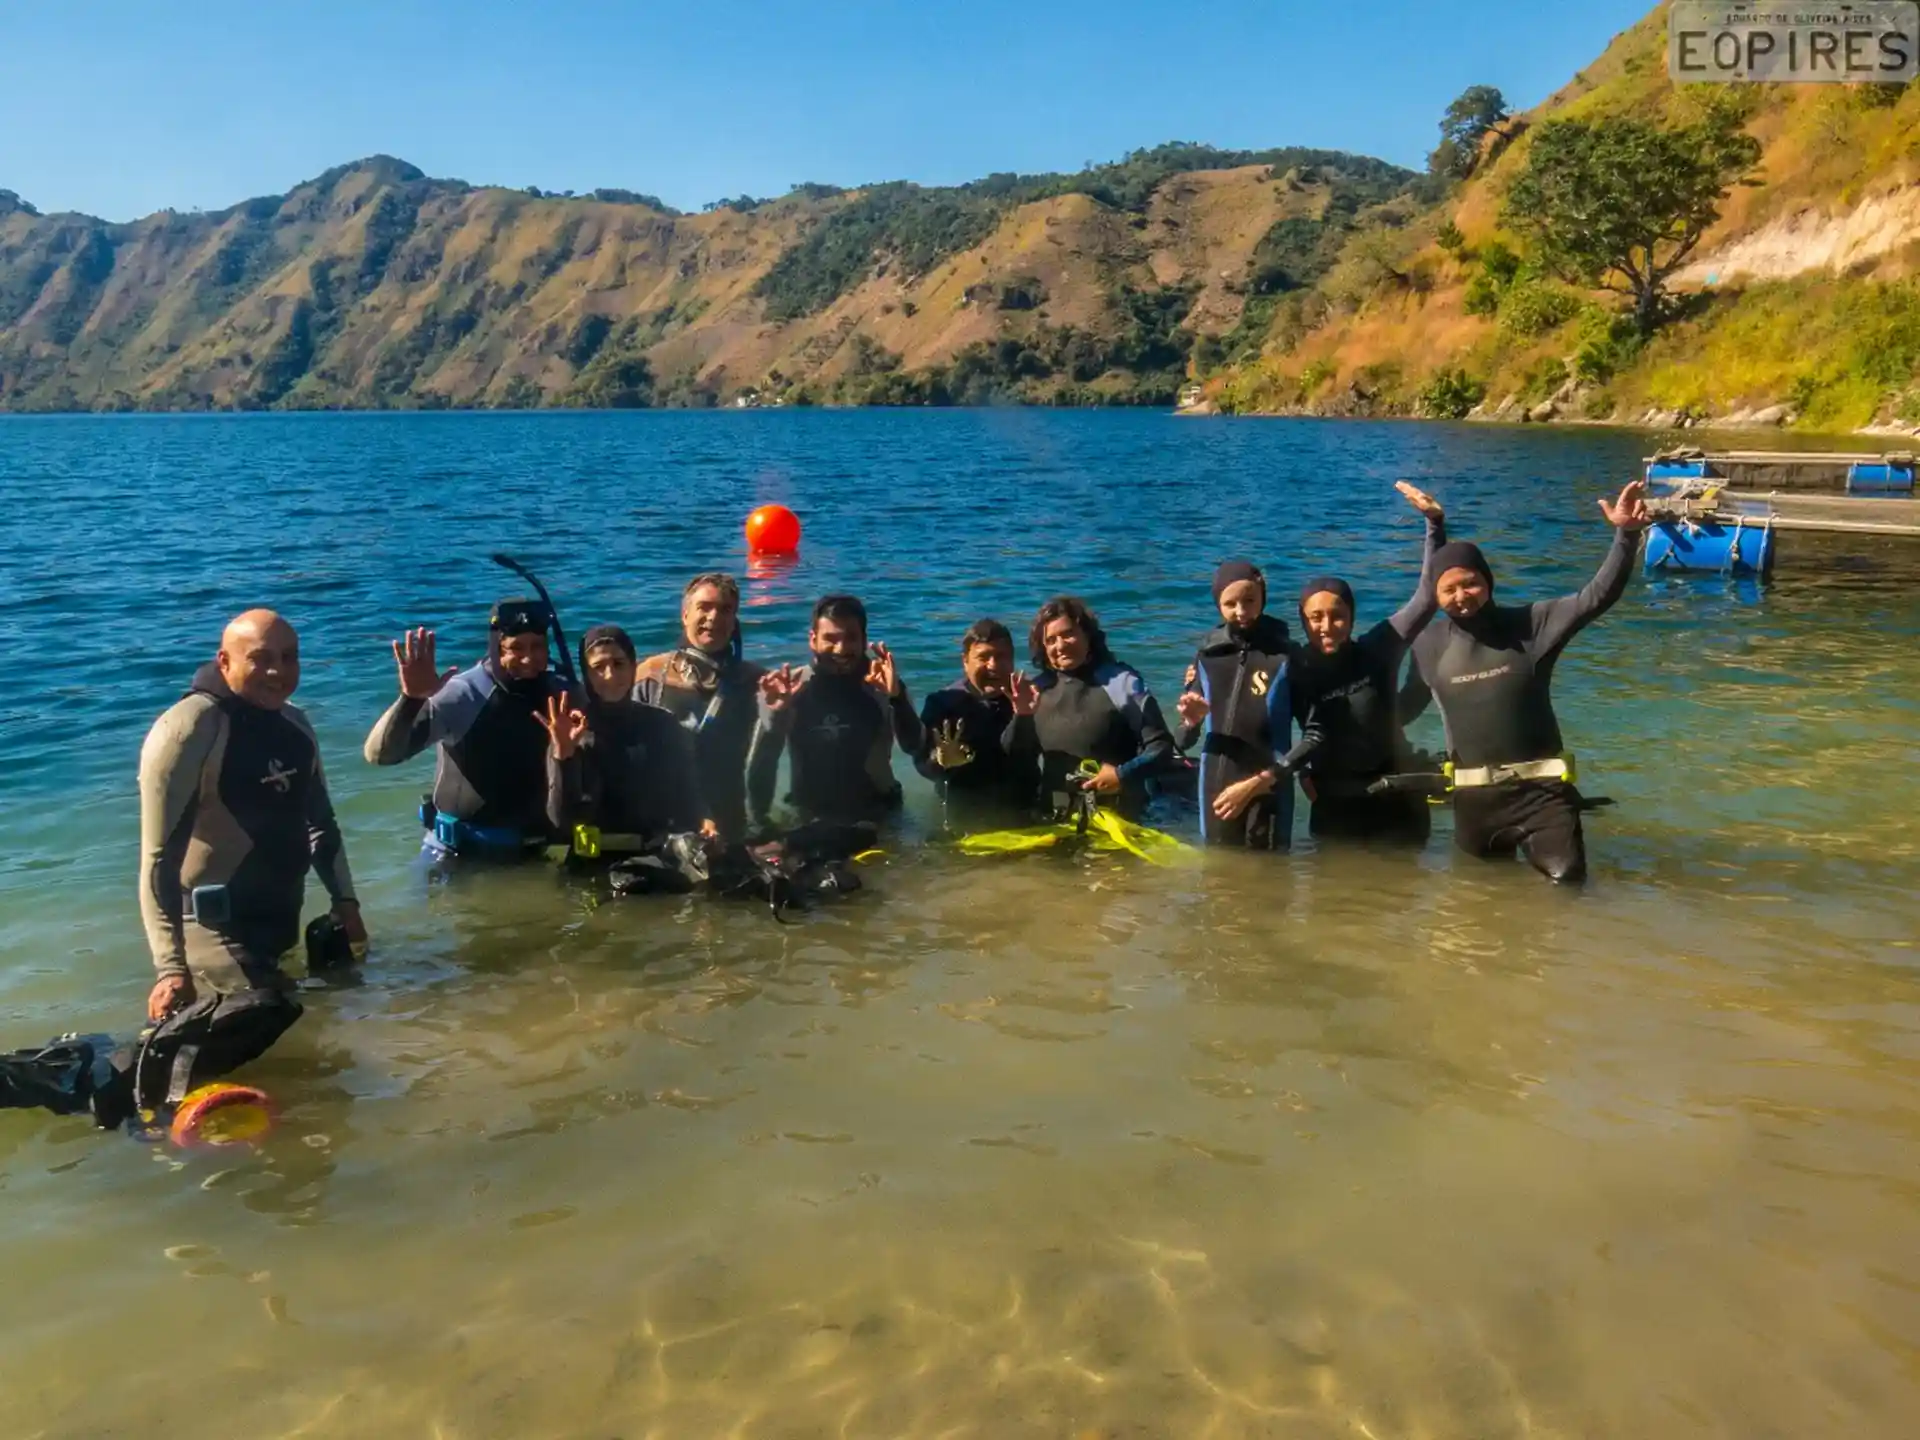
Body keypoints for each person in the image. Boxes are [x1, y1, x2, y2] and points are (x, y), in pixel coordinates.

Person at [1408, 480, 1650, 883]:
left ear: (1488, 582)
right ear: (1436, 595)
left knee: (1567, 881)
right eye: (1448, 589)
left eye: (1471, 582)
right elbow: (1403, 708)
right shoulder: (1428, 645)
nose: (1462, 595)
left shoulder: (1532, 625)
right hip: (1474, 805)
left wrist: (1625, 535)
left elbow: (1596, 597)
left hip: (1543, 799)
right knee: (1478, 904)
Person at [137, 609, 364, 1021]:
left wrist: (345, 902)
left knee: (338, 1017)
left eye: (289, 657)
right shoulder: (187, 731)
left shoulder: (295, 725)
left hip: (278, 925)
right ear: (224, 662)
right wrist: (170, 968)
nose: (278, 671)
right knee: (270, 1016)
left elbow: (322, 825)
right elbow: (158, 861)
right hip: (212, 931)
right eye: (261, 658)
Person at [1284, 480, 1449, 844]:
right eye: (1316, 617)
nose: (1327, 626)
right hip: (1333, 801)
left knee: (1399, 893)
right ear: (1304, 620)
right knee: (1334, 897)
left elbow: (1426, 599)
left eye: (1338, 615)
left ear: (1352, 616)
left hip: (1397, 799)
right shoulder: (1294, 665)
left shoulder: (1378, 647)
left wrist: (1434, 525)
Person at [364, 599, 571, 859]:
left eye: (537, 646)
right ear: (496, 648)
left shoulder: (560, 691)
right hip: (455, 858)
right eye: (515, 648)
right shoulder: (464, 694)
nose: (529, 658)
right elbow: (380, 755)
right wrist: (411, 699)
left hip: (530, 859)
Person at [542, 625, 716, 891]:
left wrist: (706, 820)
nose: (610, 675)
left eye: (619, 663)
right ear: (586, 675)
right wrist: (563, 756)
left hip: (657, 861)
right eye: (598, 667)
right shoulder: (572, 733)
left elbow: (689, 793)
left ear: (634, 665)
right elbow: (562, 821)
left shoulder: (662, 724)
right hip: (592, 868)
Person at [746, 594, 924, 832]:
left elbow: (915, 747)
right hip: (810, 817)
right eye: (830, 638)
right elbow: (761, 762)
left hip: (881, 814)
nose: (841, 649)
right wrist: (761, 822)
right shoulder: (792, 688)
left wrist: (897, 698)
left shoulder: (882, 684)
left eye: (851, 638)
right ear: (813, 639)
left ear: (864, 640)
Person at [1170, 561, 1298, 849]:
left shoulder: (1286, 655)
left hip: (1269, 786)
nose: (1241, 611)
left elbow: (1315, 731)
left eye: (1249, 600)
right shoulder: (1207, 656)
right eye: (1230, 603)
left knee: (1272, 878)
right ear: (1218, 605)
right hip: (1215, 785)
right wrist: (1192, 722)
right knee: (1217, 876)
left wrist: (1271, 779)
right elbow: (1181, 741)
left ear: (1263, 597)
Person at [635, 573, 767, 843]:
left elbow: (772, 752)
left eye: (725, 610)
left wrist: (780, 709)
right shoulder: (651, 674)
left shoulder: (755, 681)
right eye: (704, 607)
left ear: (734, 623)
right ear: (685, 615)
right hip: (665, 822)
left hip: (731, 822)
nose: (714, 617)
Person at [1016, 596, 1174, 821]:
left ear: (1088, 635)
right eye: (1051, 640)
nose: (1060, 645)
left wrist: (1121, 776)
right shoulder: (1036, 692)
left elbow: (1161, 748)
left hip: (1118, 818)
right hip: (1054, 818)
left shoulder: (1122, 683)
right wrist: (1020, 716)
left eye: (1068, 634)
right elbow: (1017, 760)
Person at [915, 619, 1042, 821]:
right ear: (965, 661)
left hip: (1024, 811)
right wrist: (940, 760)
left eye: (1001, 657)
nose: (994, 665)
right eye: (983, 657)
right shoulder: (943, 703)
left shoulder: (1031, 697)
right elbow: (922, 764)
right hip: (963, 815)